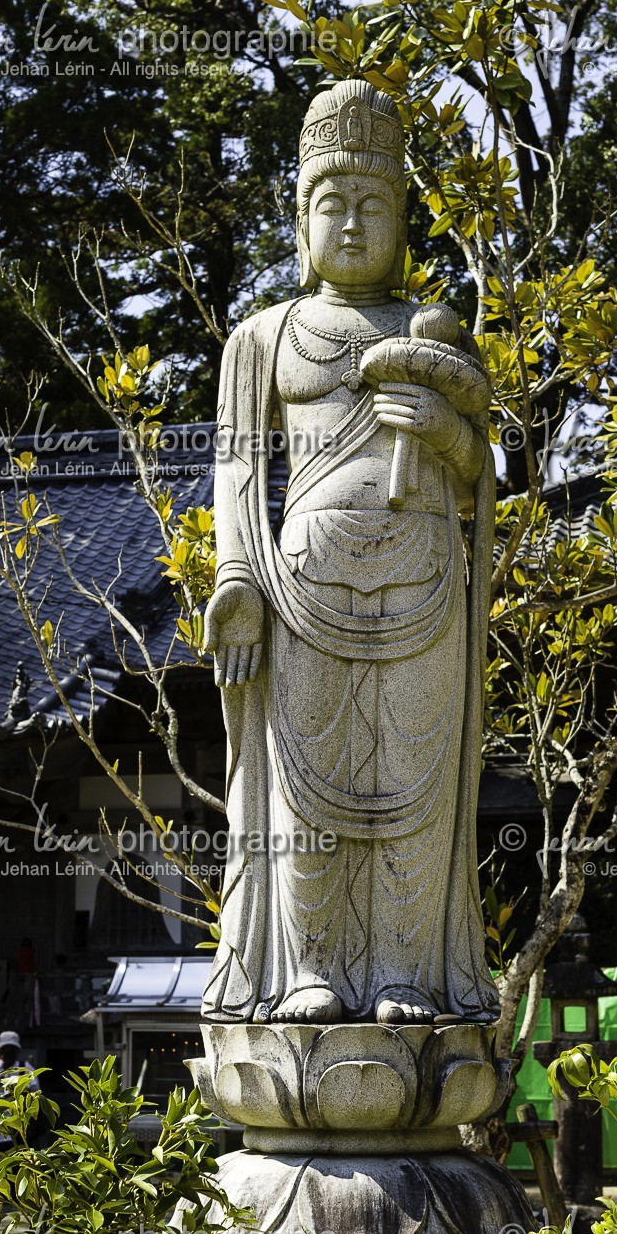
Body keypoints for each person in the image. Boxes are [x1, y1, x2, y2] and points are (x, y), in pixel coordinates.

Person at [201, 79, 498, 1028]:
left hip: (422, 589)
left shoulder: (430, 333)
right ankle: (311, 975)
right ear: (299, 218)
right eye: (334, 203)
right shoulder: (262, 338)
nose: (356, 224)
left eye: (375, 203)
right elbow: (238, 474)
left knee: (412, 793)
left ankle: (406, 977)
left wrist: (451, 442)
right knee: (310, 793)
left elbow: (480, 483)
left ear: (405, 215)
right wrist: (238, 582)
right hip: (301, 590)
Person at [0, 1030, 42, 1149]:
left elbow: (37, 1094)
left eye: (11, 1049)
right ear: (0, 1050)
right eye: (6, 1049)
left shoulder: (25, 1068)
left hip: (21, 1129)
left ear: (17, 1050)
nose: (8, 1053)